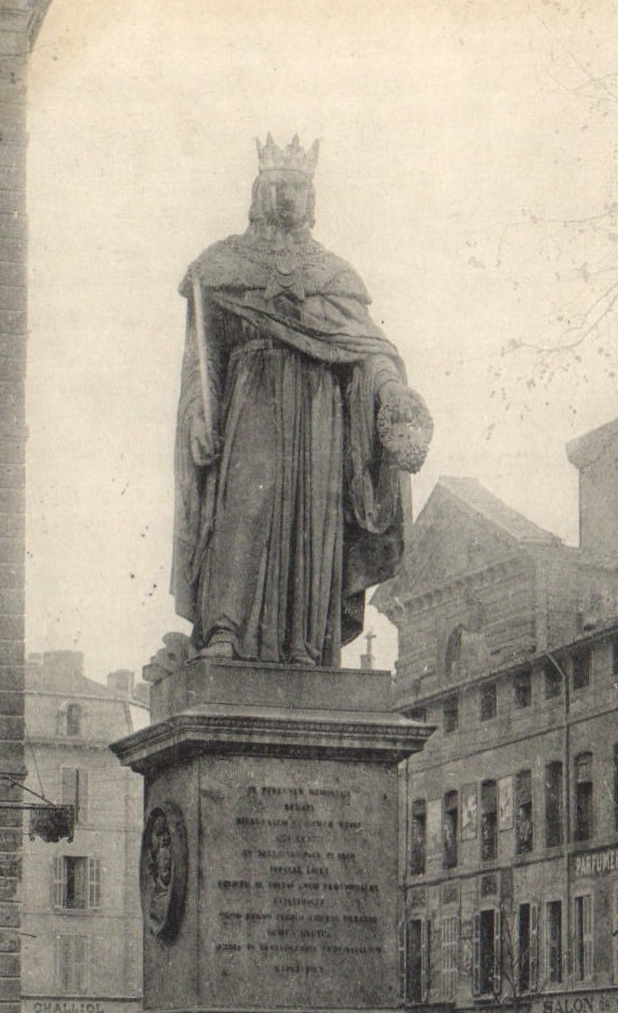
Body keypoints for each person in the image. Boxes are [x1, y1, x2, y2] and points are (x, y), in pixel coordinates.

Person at [171, 134, 432, 666]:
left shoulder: (333, 277)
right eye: (277, 185)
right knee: (244, 508)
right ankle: (225, 629)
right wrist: (200, 413)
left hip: (320, 417)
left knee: (314, 523)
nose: (287, 197)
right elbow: (201, 359)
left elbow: (367, 350)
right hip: (252, 405)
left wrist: (391, 392)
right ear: (258, 192)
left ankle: (306, 643)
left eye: (297, 187)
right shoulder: (220, 267)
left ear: (311, 199)